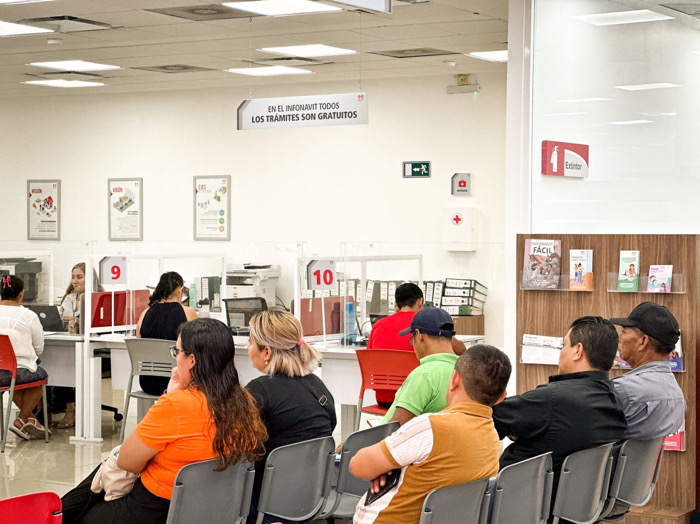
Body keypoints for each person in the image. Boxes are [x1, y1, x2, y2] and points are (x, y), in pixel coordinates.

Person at [61, 318, 267, 524]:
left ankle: (52, 515)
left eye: (177, 352)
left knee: (86, 510)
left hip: (158, 509)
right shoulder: (245, 402)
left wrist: (169, 395)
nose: (176, 358)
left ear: (192, 360)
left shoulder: (176, 405)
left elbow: (126, 461)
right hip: (215, 509)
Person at [349, 344, 511, 524]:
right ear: (501, 397)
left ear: (455, 379)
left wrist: (383, 467)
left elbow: (357, 466)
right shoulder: (491, 437)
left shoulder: (429, 427)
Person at [492, 316, 627, 489]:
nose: (561, 352)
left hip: (520, 503)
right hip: (575, 504)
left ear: (578, 350)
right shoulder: (613, 400)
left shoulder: (552, 400)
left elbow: (484, 419)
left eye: (563, 345)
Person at [245, 308, 336, 524]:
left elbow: (238, 446)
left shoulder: (259, 391)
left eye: (249, 342)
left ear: (266, 352)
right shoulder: (317, 386)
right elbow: (329, 427)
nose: (247, 348)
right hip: (309, 501)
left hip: (264, 507)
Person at [367, 283, 465, 407]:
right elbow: (461, 349)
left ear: (396, 304)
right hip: (416, 398)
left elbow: (371, 357)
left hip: (384, 398)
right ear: (420, 302)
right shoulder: (425, 324)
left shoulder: (378, 325)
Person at [610, 302, 685, 440]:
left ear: (643, 342)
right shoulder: (677, 395)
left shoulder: (623, 390)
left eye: (624, 332)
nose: (619, 337)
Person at [380, 307, 461, 426]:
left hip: (398, 442)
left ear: (418, 335)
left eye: (411, 338)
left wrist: (358, 443)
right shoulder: (465, 372)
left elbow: (393, 428)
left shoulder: (424, 375)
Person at [54, 262, 105, 429]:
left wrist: (76, 319)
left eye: (79, 277)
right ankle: (48, 408)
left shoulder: (99, 299)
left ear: (89, 279)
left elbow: (99, 326)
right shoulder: (68, 299)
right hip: (71, 344)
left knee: (67, 363)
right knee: (59, 361)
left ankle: (71, 410)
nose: (75, 281)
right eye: (73, 277)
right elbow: (60, 318)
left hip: (94, 348)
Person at [0, 275, 50, 440]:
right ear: (21, 294)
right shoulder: (28, 315)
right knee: (38, 375)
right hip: (17, 371)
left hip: (2, 372)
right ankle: (22, 419)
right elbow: (39, 348)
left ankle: (30, 420)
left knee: (15, 379)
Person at [135, 271, 197, 395]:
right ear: (180, 290)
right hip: (178, 382)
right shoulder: (188, 313)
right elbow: (199, 346)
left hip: (147, 383)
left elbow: (140, 344)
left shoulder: (145, 313)